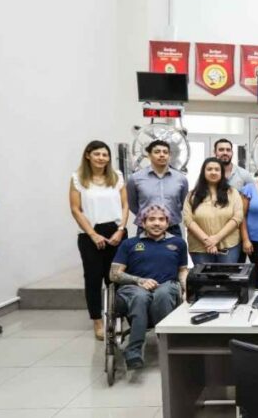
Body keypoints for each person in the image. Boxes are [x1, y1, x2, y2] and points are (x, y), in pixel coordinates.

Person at [110, 204, 188, 369]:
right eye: (151, 219)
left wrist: (187, 288)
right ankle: (134, 352)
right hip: (134, 288)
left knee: (163, 293)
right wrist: (138, 281)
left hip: (167, 286)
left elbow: (182, 271)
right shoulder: (129, 244)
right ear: (143, 223)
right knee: (140, 296)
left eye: (161, 219)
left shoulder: (178, 243)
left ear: (168, 223)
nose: (157, 223)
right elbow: (114, 274)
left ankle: (169, 349)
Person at [69, 140, 129, 340]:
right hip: (90, 233)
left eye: (105, 154)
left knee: (116, 278)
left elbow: (125, 205)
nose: (102, 158)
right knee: (94, 279)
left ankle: (118, 318)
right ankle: (98, 322)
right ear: (88, 155)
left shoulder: (117, 177)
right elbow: (75, 209)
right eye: (97, 154)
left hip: (116, 231)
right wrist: (93, 235)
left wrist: (121, 229)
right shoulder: (78, 178)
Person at [183, 157, 243, 264]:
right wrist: (207, 240)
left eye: (217, 169)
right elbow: (188, 220)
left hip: (228, 246)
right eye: (209, 169)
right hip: (199, 247)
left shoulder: (232, 192)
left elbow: (238, 217)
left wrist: (216, 238)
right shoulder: (192, 195)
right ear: (203, 172)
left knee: (226, 278)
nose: (213, 172)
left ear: (222, 172)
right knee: (204, 280)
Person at [126, 140, 189, 236]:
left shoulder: (181, 179)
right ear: (149, 155)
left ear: (170, 156)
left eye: (165, 152)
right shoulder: (135, 178)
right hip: (145, 229)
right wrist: (149, 218)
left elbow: (183, 204)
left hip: (172, 228)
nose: (162, 155)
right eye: (157, 152)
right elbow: (132, 205)